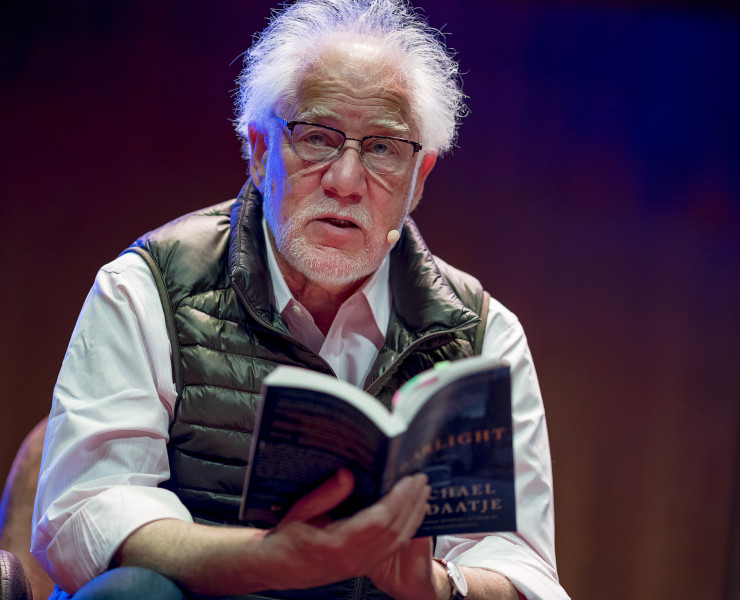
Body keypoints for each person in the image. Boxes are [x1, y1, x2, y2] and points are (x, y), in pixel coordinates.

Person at [31, 0, 570, 599]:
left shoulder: (482, 335)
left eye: (383, 148)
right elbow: (82, 515)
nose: (346, 180)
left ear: (418, 178)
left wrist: (439, 587)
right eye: (317, 138)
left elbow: (525, 572)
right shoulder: (149, 285)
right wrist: (265, 562)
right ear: (261, 151)